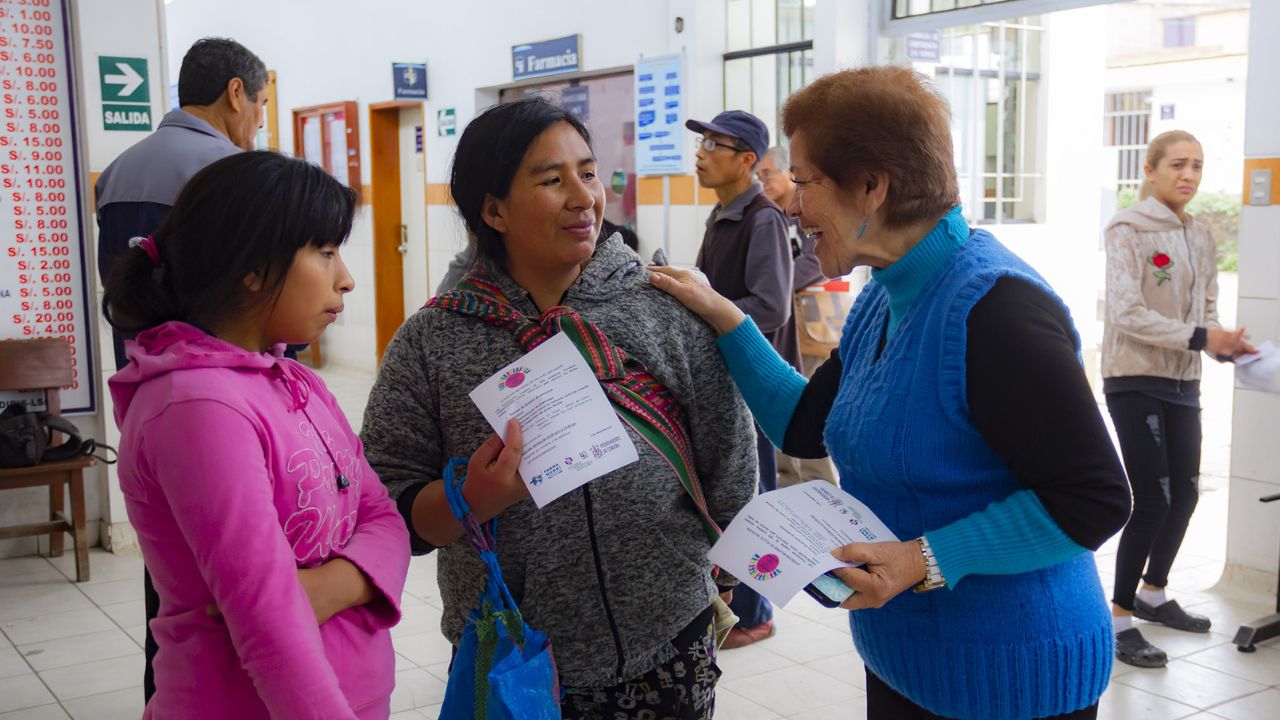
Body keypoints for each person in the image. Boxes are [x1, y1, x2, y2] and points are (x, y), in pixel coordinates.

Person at [650, 66, 1131, 719]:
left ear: (872, 186)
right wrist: (724, 316)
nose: (790, 203)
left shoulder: (996, 311)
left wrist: (922, 559)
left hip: (1010, 677)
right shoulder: (886, 293)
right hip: (907, 661)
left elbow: (1093, 500)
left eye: (805, 181)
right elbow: (802, 425)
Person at [362, 97, 757, 720]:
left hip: (669, 640)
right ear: (493, 210)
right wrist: (474, 496)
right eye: (552, 180)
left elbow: (729, 451)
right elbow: (387, 500)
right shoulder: (434, 341)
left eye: (589, 172)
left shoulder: (665, 308)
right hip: (518, 657)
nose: (584, 197)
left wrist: (727, 571)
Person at [102, 152, 409, 719]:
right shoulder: (199, 406)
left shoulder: (292, 379)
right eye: (324, 252)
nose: (346, 277)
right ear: (252, 268)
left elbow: (384, 517)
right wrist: (296, 601)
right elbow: (267, 621)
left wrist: (329, 587)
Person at [94, 38, 268, 700]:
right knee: (228, 575)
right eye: (258, 104)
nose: (258, 120)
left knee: (165, 568)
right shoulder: (228, 172)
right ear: (233, 93)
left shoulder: (120, 171)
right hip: (221, 405)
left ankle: (161, 695)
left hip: (142, 394)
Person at [1102, 130, 1253, 668]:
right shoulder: (1127, 228)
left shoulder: (1201, 235)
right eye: (1177, 165)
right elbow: (1125, 312)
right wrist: (1198, 337)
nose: (1188, 176)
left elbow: (1205, 311)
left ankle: (1153, 594)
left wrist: (1224, 345)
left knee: (1186, 493)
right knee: (1154, 498)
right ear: (1150, 170)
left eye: (1197, 167)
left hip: (1184, 382)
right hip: (1133, 378)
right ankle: (1119, 619)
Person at [687, 110, 794, 649]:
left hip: (752, 381)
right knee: (731, 496)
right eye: (701, 141)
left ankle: (755, 614)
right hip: (723, 380)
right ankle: (737, 606)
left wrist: (707, 309)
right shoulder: (724, 213)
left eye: (714, 143)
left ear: (747, 159)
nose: (701, 152)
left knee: (753, 498)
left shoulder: (762, 217)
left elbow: (770, 306)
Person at [757, 145, 839, 489]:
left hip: (812, 322)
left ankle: (821, 487)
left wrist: (778, 280)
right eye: (759, 176)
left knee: (810, 406)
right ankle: (790, 483)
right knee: (788, 408)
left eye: (768, 175)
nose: (763, 182)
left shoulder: (805, 212)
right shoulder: (769, 213)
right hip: (787, 325)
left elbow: (814, 264)